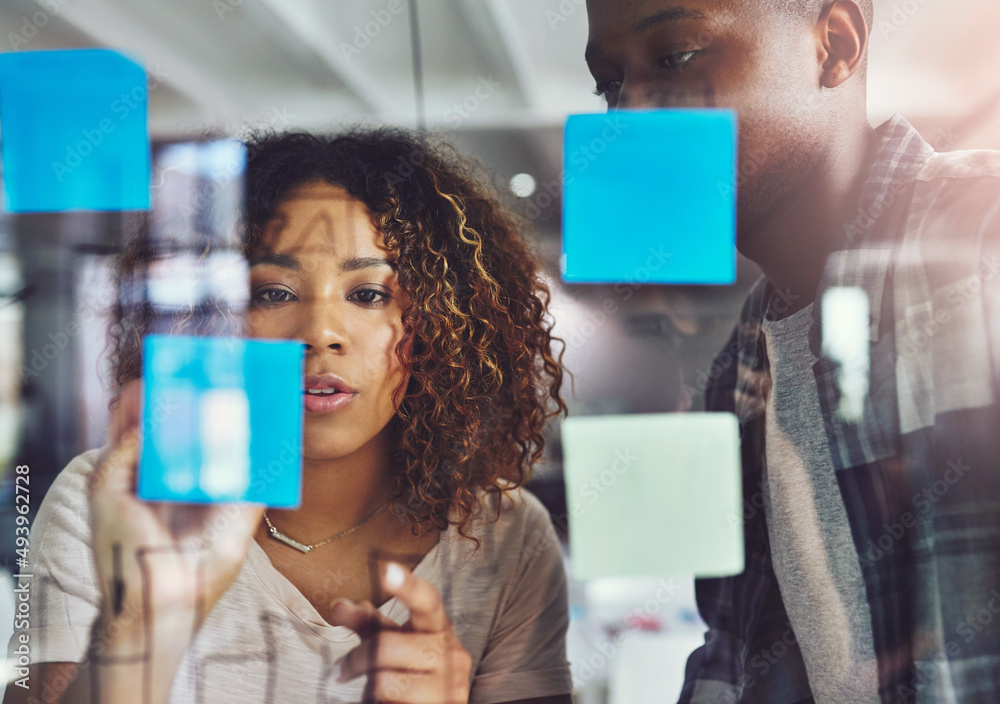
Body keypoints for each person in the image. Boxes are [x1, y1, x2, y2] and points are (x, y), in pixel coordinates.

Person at [7, 129, 574, 704]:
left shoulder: (505, 536)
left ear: (441, 324)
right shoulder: (113, 501)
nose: (320, 333)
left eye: (370, 294)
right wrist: (141, 629)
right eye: (273, 293)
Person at [584, 1, 1000, 702]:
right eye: (610, 85)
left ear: (833, 44)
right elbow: (735, 647)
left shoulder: (981, 242)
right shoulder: (745, 359)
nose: (631, 115)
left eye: (677, 57)